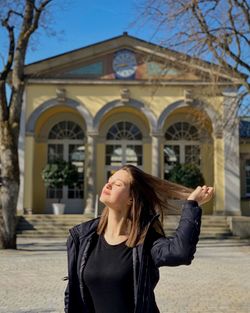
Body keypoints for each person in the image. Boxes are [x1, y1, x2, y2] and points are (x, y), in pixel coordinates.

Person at [64, 164, 214, 313]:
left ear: (131, 198)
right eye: (109, 180)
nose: (108, 184)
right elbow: (72, 293)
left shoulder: (145, 241)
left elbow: (180, 253)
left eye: (117, 184)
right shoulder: (83, 238)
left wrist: (191, 205)